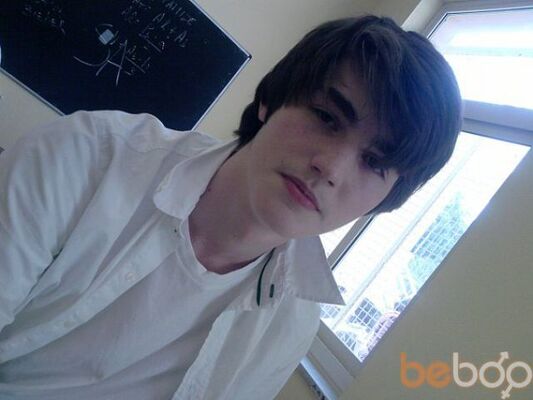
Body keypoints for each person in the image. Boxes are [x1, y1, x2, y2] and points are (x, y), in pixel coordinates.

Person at [0, 15, 462, 400]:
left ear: (387, 200)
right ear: (270, 100)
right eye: (326, 117)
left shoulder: (291, 322)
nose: (332, 168)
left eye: (375, 162)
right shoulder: (90, 158)